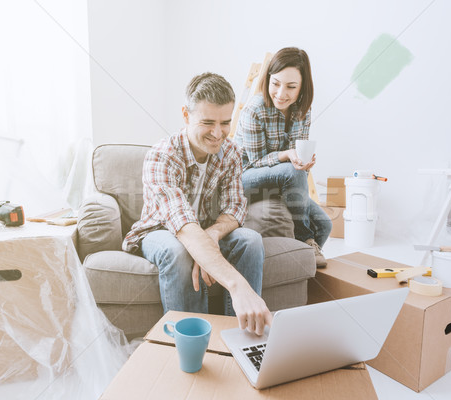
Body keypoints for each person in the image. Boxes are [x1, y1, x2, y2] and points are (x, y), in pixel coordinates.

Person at [123, 72, 272, 335]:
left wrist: (212, 233)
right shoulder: (162, 156)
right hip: (160, 233)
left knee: (250, 240)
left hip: (202, 230)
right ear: (185, 115)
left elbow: (235, 207)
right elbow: (182, 226)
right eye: (208, 122)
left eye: (225, 123)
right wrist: (239, 286)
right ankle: (191, 340)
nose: (218, 133)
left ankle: (241, 339)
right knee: (177, 251)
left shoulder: (232, 152)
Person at [234, 47, 332, 268]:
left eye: (291, 87)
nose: (280, 93)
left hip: (279, 179)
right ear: (268, 79)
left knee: (325, 224)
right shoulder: (254, 110)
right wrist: (288, 156)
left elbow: (296, 158)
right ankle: (304, 239)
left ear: (302, 87)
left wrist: (302, 162)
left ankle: (302, 264)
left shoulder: (302, 110)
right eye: (275, 83)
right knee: (290, 170)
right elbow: (256, 161)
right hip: (244, 177)